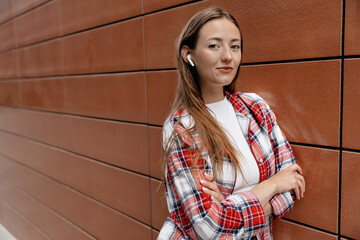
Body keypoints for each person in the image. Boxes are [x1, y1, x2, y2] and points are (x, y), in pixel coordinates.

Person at [158, 7, 305, 240]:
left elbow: (293, 181)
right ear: (189, 55)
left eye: (234, 46)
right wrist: (270, 187)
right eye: (214, 45)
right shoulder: (181, 128)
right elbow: (209, 227)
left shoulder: (255, 108)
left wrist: (227, 205)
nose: (227, 56)